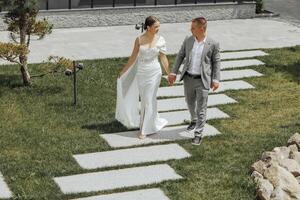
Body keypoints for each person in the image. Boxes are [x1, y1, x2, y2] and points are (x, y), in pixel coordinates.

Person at [168, 17, 221, 145]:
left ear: (201, 29)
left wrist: (216, 79)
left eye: (193, 28)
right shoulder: (188, 40)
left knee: (201, 108)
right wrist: (173, 72)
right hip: (188, 78)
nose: (190, 29)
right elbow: (180, 55)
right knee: (190, 102)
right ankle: (194, 119)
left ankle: (198, 134)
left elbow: (216, 62)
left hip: (202, 80)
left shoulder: (213, 43)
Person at [116, 16, 170, 139]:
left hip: (155, 72)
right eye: (156, 27)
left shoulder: (161, 40)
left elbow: (163, 58)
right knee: (148, 99)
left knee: (147, 99)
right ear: (148, 27)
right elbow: (133, 57)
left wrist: (169, 73)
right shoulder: (139, 40)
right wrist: (123, 72)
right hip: (142, 72)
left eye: (158, 26)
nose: (158, 29)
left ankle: (144, 130)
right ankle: (152, 121)